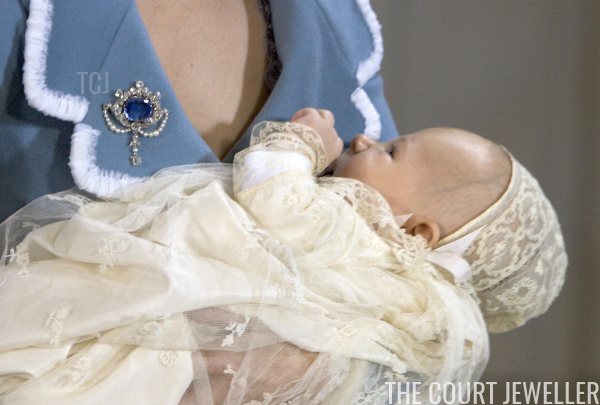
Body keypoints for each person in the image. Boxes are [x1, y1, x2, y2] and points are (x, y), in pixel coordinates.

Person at [0, 108, 567, 404]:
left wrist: (300, 144)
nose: (367, 139)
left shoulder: (353, 234)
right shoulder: (394, 287)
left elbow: (273, 193)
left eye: (393, 151)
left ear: (417, 232)